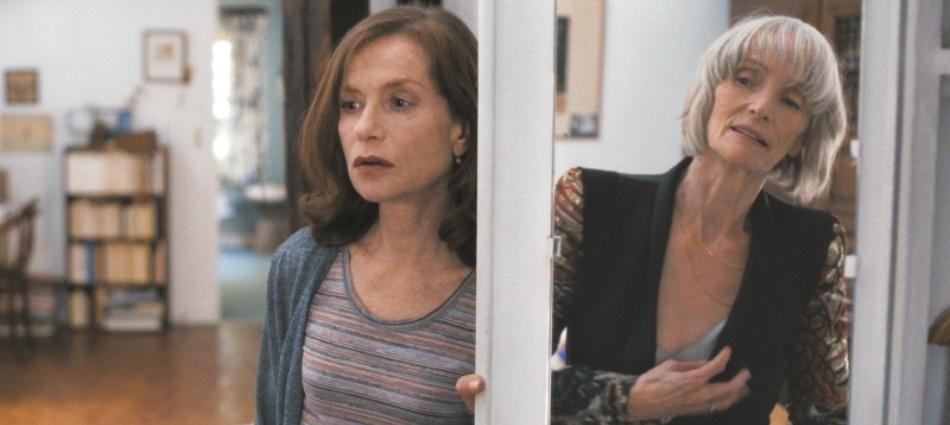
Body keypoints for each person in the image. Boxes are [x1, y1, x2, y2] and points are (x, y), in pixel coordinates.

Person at [459, 14, 850, 425]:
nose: (761, 107)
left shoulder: (812, 247)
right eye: (745, 80)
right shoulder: (590, 202)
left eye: (790, 102)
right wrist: (627, 399)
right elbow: (506, 378)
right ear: (710, 92)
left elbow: (825, 413)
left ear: (803, 139)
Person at [255, 6, 478, 425]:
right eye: (351, 104)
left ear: (461, 130)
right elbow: (270, 413)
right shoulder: (301, 263)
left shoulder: (499, 295)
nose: (364, 128)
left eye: (399, 102)